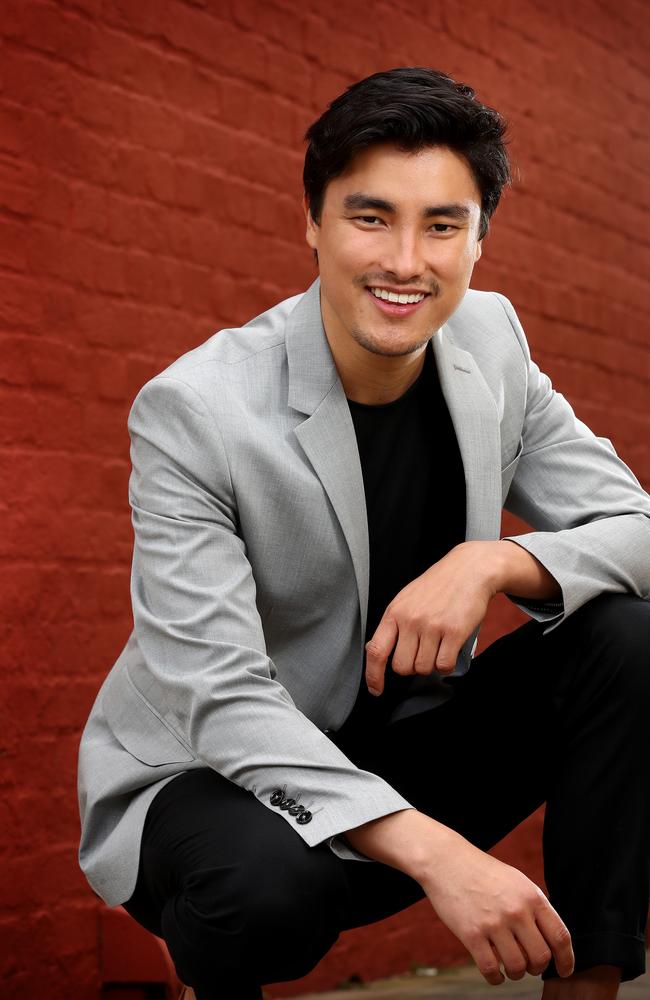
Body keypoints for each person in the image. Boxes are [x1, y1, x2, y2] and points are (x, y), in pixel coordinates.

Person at [77, 68, 650, 1000]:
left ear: (480, 239)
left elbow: (639, 529)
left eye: (442, 225)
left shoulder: (493, 341)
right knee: (267, 889)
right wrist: (439, 855)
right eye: (371, 217)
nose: (405, 262)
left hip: (405, 740)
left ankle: (585, 992)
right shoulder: (198, 410)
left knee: (628, 636)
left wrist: (498, 559)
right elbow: (219, 696)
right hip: (212, 775)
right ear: (313, 222)